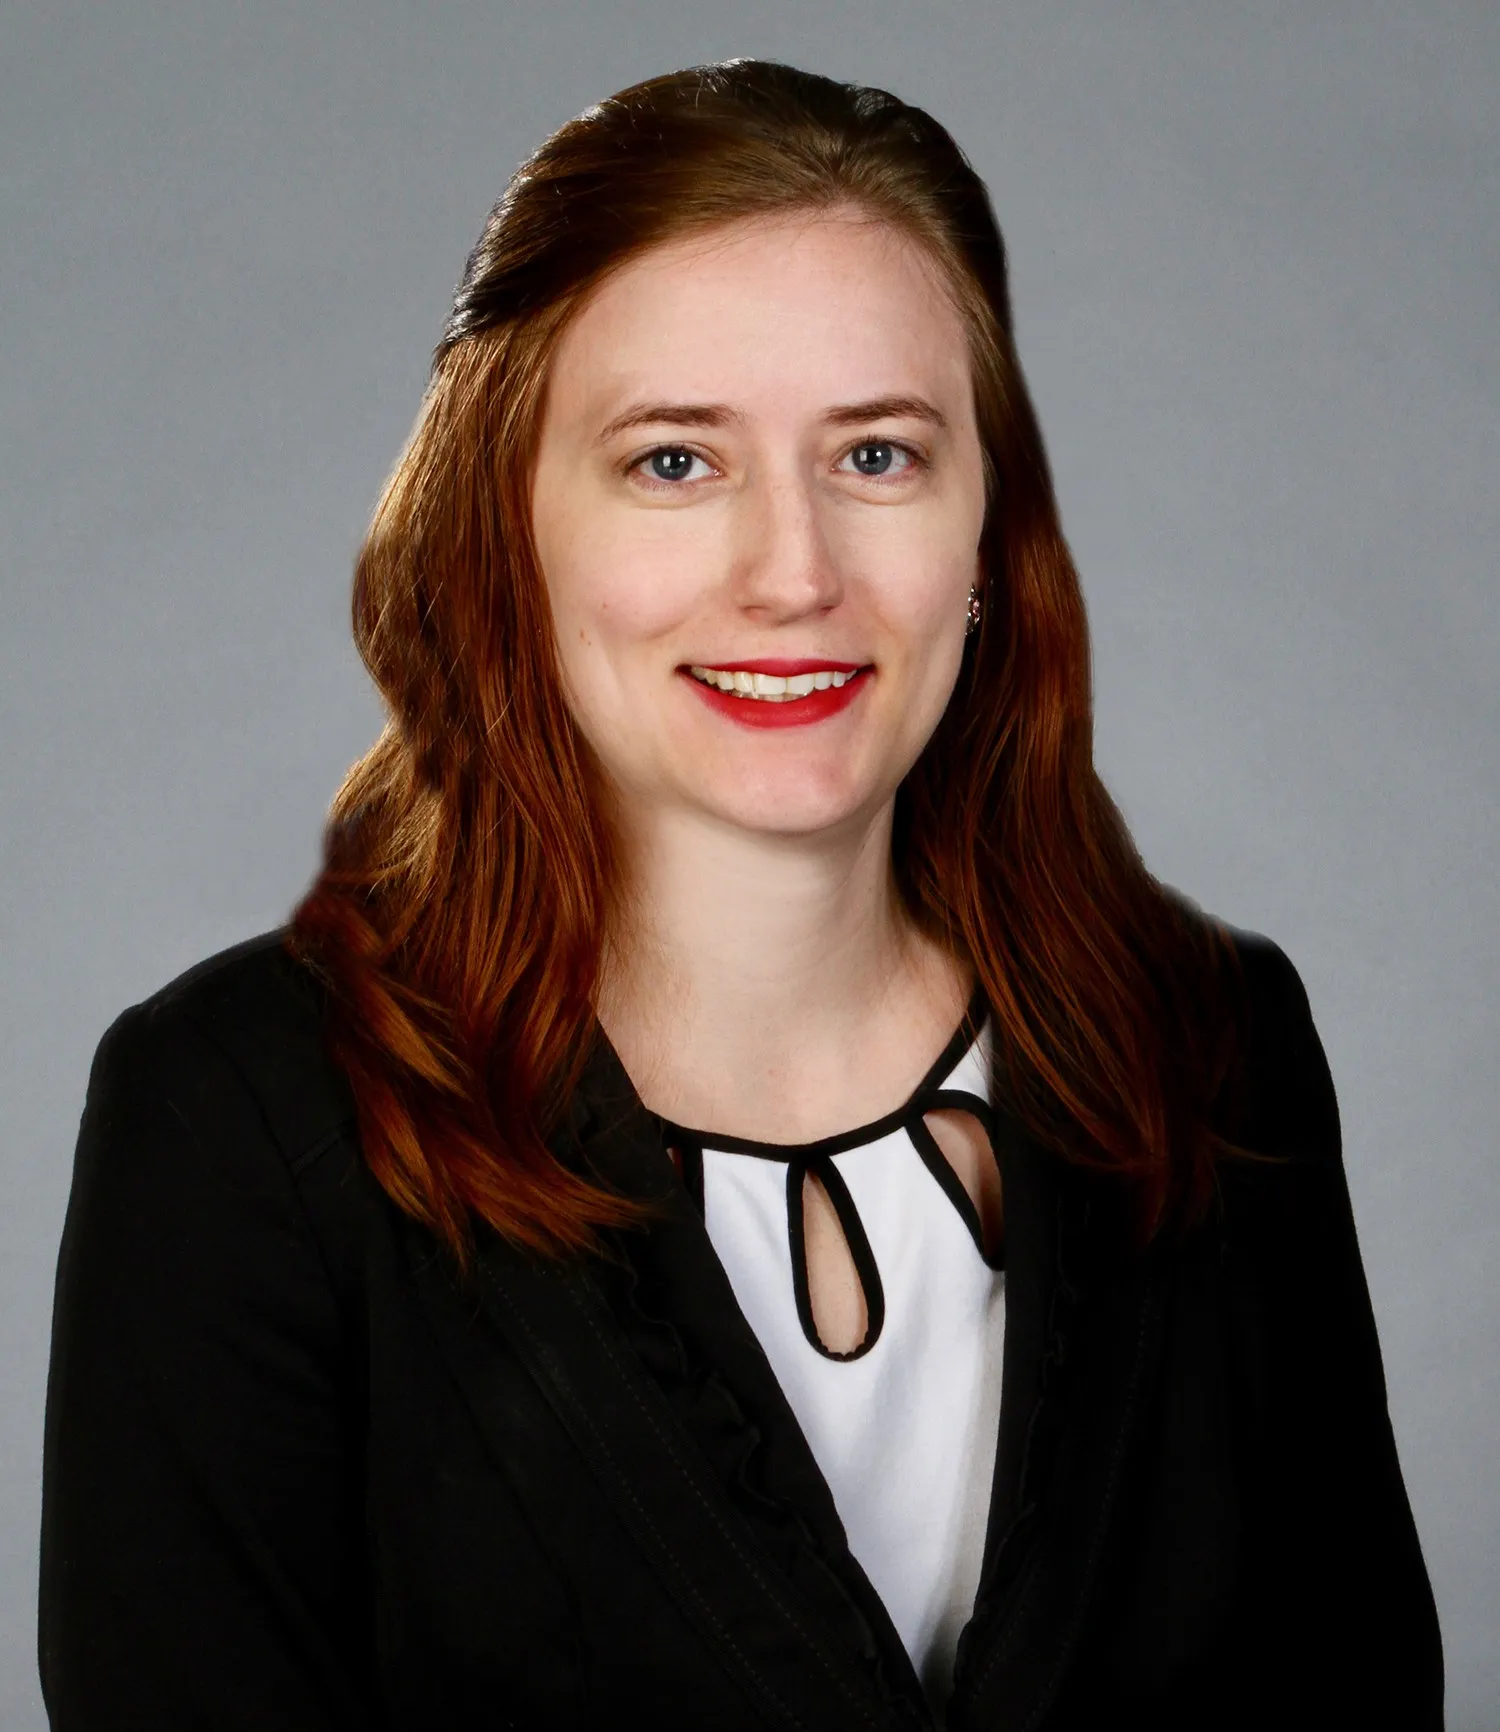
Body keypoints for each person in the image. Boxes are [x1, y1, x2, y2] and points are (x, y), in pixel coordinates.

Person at [38, 58, 1443, 1731]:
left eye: (878, 454)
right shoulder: (236, 1127)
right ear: (509, 530)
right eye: (673, 463)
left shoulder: (1214, 1050)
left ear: (987, 536)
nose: (795, 573)